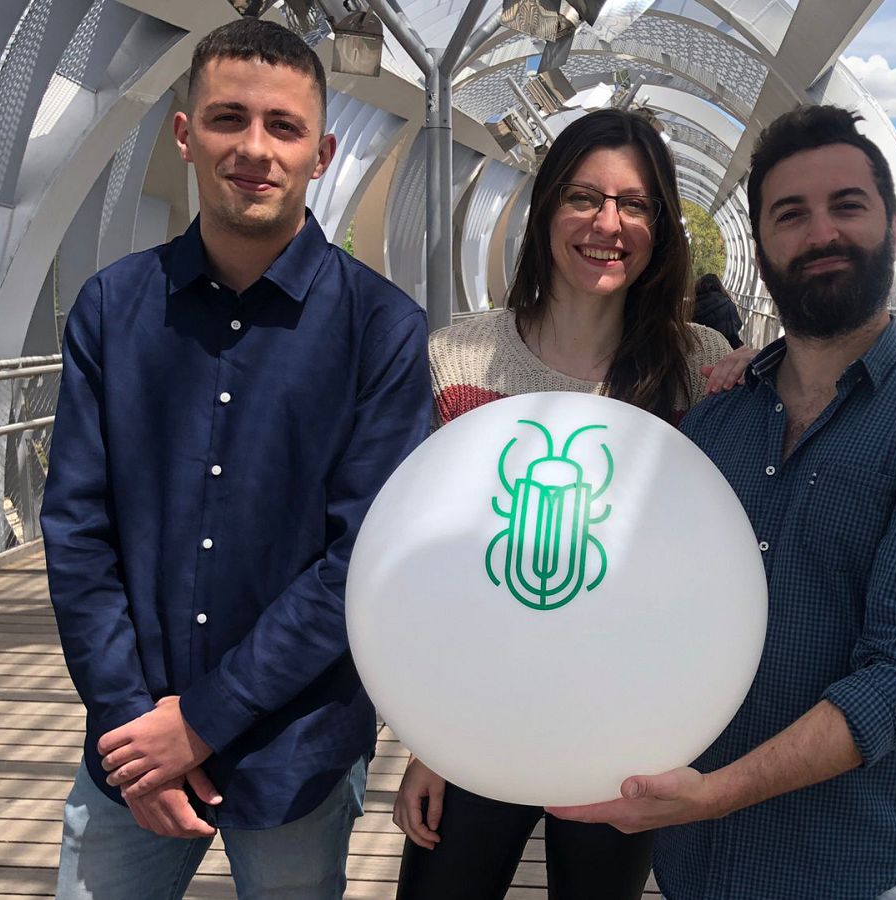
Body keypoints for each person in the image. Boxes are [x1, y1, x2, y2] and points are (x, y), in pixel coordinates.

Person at [548, 104, 896, 899]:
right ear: (762, 246)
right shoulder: (716, 423)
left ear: (892, 225)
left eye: (847, 205)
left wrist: (714, 793)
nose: (820, 233)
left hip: (860, 868)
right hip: (702, 870)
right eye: (790, 214)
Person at [42, 18, 430, 899]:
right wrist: (133, 722)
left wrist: (201, 722)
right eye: (229, 118)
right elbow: (76, 528)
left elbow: (362, 557)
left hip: (295, 747)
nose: (255, 148)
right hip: (133, 746)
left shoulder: (381, 329)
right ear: (185, 134)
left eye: (283, 127)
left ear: (321, 154)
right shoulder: (112, 308)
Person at [392, 108, 742, 900]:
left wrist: (758, 373)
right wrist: (427, 738)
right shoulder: (459, 357)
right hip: (481, 708)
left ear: (661, 227)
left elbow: (719, 550)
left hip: (628, 722)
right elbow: (429, 567)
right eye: (584, 197)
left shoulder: (700, 368)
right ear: (546, 207)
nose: (607, 224)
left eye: (635, 204)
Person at [691, 273, 744, 349]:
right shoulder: (728, 305)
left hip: (699, 349)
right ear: (719, 287)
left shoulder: (692, 306)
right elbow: (737, 325)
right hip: (724, 349)